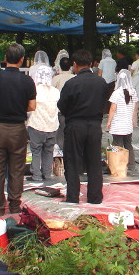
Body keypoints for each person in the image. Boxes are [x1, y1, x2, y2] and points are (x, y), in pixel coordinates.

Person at [0, 43, 36, 216]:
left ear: (5, 59)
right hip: (18, 129)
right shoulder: (27, 80)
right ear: (22, 59)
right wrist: (18, 110)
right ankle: (14, 206)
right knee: (17, 169)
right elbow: (32, 106)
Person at [58, 49, 109, 204]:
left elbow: (62, 106)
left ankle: (73, 197)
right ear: (91, 64)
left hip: (75, 124)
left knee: (72, 161)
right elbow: (104, 102)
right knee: (94, 162)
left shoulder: (71, 83)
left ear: (75, 64)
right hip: (94, 125)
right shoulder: (101, 82)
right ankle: (95, 197)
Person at [27, 65, 60, 181]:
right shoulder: (55, 91)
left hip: (37, 125)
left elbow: (29, 107)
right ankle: (47, 174)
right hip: (52, 125)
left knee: (36, 151)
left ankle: (36, 175)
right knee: (49, 151)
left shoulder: (34, 90)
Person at [106, 69, 137, 168]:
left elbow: (112, 108)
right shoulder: (133, 92)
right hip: (127, 124)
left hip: (118, 124)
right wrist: (133, 120)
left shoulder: (117, 93)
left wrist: (109, 121)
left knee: (117, 145)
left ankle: (118, 165)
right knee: (128, 144)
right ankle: (131, 164)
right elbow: (134, 108)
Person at [52, 56, 75, 149]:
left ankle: (61, 148)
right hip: (73, 108)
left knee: (61, 129)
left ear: (60, 67)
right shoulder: (75, 78)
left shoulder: (56, 78)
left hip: (59, 108)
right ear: (70, 67)